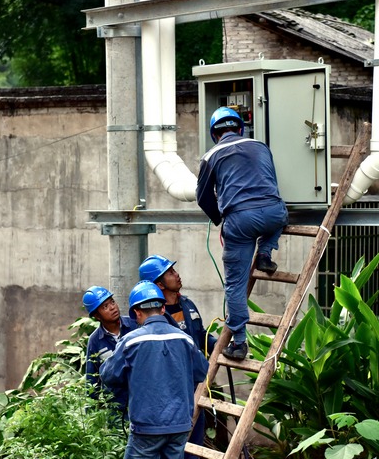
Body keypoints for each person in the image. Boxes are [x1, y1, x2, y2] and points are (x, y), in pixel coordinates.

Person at [195, 106, 289, 361]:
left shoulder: (211, 155)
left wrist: (221, 220)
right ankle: (266, 253)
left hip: (240, 220)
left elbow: (202, 198)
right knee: (280, 217)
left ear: (215, 134)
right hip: (274, 212)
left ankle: (238, 343)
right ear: (240, 128)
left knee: (235, 284)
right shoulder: (260, 145)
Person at [100, 280, 210, 459]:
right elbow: (201, 372)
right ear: (163, 309)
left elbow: (108, 375)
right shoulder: (185, 339)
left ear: (136, 312)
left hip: (146, 428)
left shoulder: (130, 341)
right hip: (180, 427)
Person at [139, 254, 216, 458]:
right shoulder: (156, 316)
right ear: (159, 284)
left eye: (174, 270)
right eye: (170, 272)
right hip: (168, 394)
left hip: (192, 387)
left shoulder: (188, 304)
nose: (177, 274)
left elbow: (200, 335)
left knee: (193, 445)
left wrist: (221, 345)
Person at [82, 285, 138, 412]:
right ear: (97, 316)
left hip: (142, 402)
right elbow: (92, 380)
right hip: (116, 408)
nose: (112, 307)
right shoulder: (95, 341)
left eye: (112, 302)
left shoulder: (135, 325)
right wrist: (91, 414)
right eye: (105, 307)